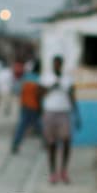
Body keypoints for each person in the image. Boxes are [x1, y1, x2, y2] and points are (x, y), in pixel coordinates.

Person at [39, 55, 79, 183]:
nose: (56, 66)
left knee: (67, 141)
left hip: (64, 113)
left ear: (61, 65)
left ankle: (64, 171)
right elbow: (40, 94)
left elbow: (73, 96)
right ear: (52, 65)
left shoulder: (68, 79)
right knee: (51, 144)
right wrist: (52, 87)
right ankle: (53, 173)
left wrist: (77, 114)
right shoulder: (46, 77)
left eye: (58, 64)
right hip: (50, 112)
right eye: (54, 64)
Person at [9, 59, 42, 154]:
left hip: (24, 105)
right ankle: (48, 143)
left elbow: (17, 90)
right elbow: (39, 95)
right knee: (39, 126)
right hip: (34, 106)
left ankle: (15, 144)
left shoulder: (25, 77)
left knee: (22, 126)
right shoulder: (38, 79)